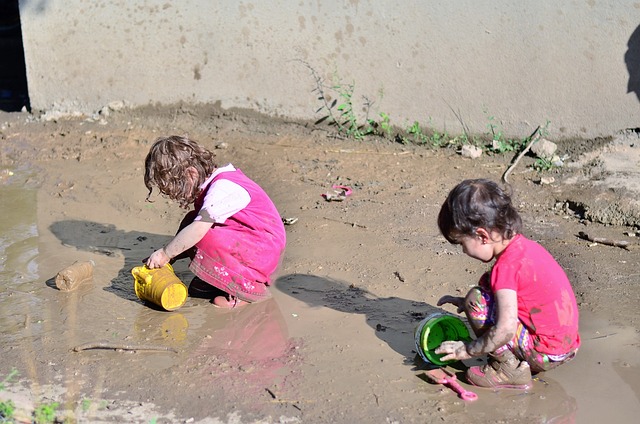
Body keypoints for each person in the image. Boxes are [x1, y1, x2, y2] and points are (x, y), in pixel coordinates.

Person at [434, 179, 580, 389]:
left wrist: (467, 350)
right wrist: (462, 302)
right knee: (479, 296)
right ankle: (522, 361)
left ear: (482, 236)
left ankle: (506, 369)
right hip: (565, 346)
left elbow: (505, 330)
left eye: (462, 244)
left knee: (477, 300)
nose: (464, 252)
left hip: (546, 352)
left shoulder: (506, 268)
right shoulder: (527, 248)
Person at [143, 135, 286, 308]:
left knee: (201, 233)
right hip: (253, 243)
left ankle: (245, 289)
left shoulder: (222, 188)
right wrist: (169, 258)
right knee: (191, 220)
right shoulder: (215, 183)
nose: (175, 196)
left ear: (191, 173)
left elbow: (198, 230)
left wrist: (166, 253)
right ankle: (220, 279)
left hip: (263, 250)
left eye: (176, 188)